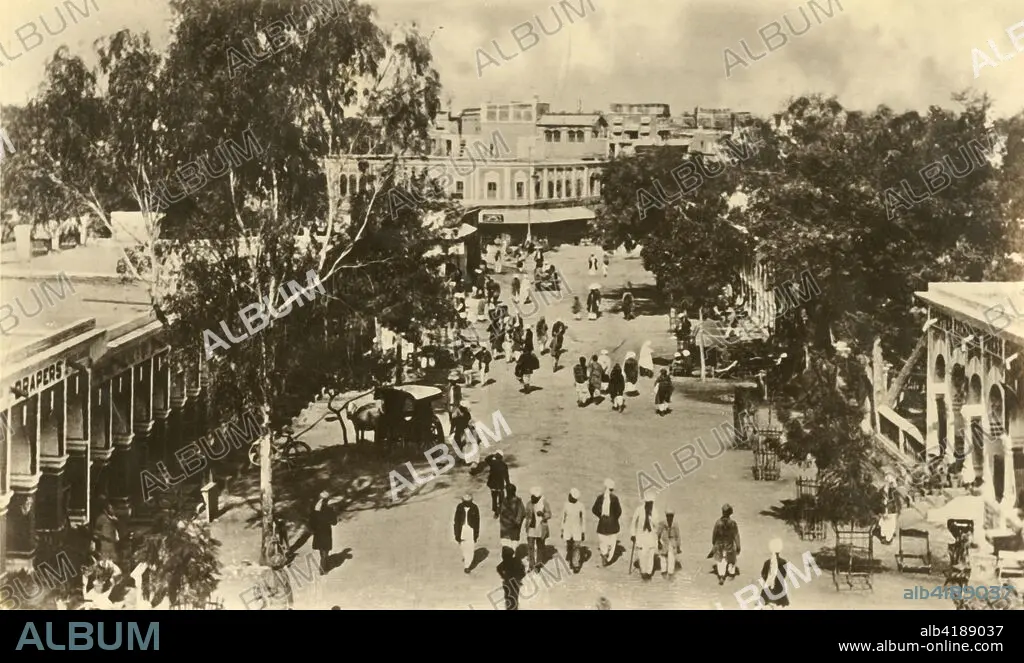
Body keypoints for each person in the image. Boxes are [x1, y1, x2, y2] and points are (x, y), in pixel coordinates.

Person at [630, 491, 661, 580]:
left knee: (650, 554)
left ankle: (648, 572)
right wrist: (633, 534)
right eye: (648, 503)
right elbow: (633, 522)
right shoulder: (639, 509)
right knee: (642, 554)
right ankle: (643, 572)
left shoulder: (654, 511)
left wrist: (651, 518)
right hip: (641, 535)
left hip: (651, 535)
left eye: (651, 503)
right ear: (645, 502)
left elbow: (657, 525)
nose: (649, 504)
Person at [708, 503, 741, 585]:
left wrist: (714, 543)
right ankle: (731, 573)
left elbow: (714, 534)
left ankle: (722, 576)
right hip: (729, 544)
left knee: (721, 560)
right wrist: (738, 545)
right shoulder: (732, 523)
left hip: (720, 545)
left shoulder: (718, 523)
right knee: (731, 559)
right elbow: (736, 535)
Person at [591, 479, 621, 566]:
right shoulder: (615, 498)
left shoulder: (600, 497)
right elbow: (619, 511)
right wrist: (614, 518)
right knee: (612, 542)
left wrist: (600, 516)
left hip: (602, 523)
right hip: (613, 524)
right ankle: (609, 558)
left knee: (603, 541)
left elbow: (594, 509)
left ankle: (604, 554)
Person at [525, 487, 552, 572]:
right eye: (532, 496)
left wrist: (543, 514)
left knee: (540, 546)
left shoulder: (544, 503)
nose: (532, 498)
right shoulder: (529, 503)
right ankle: (531, 564)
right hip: (531, 528)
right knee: (530, 546)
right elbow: (526, 514)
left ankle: (538, 564)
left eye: (534, 497)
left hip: (540, 527)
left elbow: (549, 514)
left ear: (539, 497)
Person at [309, 491, 336, 574]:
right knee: (326, 550)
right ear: (327, 500)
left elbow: (311, 521)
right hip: (326, 531)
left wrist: (313, 529)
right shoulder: (329, 509)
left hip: (318, 532)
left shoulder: (315, 508)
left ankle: (323, 566)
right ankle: (323, 568)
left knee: (322, 550)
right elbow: (334, 522)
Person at [759, 538, 790, 609]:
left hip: (768, 588)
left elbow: (763, 574)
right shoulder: (783, 562)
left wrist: (767, 580)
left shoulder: (767, 562)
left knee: (765, 604)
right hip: (779, 588)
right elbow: (784, 574)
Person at [561, 488, 586, 573]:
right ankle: (571, 560)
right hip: (568, 529)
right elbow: (563, 518)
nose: (569, 497)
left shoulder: (580, 506)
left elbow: (583, 519)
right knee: (569, 546)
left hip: (577, 529)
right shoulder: (566, 505)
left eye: (570, 496)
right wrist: (562, 530)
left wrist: (583, 531)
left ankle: (576, 564)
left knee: (576, 547)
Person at [454, 494, 480, 574]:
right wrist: (456, 534)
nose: (467, 504)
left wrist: (476, 534)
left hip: (471, 530)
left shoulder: (475, 508)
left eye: (469, 502)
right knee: (463, 547)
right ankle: (466, 557)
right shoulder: (459, 507)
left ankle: (467, 566)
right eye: (465, 502)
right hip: (462, 529)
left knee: (470, 548)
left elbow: (477, 522)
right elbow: (456, 521)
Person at [499, 484, 527, 551]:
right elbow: (502, 512)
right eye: (507, 491)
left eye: (509, 491)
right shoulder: (504, 500)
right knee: (505, 545)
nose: (507, 492)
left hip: (514, 528)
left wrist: (516, 522)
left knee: (513, 546)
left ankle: (512, 555)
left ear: (513, 491)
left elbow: (522, 513)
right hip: (505, 528)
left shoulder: (518, 501)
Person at [657, 508, 682, 578]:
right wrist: (658, 542)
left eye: (671, 516)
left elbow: (678, 536)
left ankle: (670, 573)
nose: (670, 518)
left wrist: (678, 546)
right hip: (664, 541)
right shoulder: (662, 523)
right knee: (663, 556)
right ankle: (663, 572)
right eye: (668, 516)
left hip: (672, 541)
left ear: (673, 516)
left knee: (671, 557)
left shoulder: (675, 524)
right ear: (666, 516)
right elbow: (658, 533)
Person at [486, 451, 510, 518]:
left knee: (494, 498)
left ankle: (495, 512)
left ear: (496, 457)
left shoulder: (492, 463)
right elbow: (506, 476)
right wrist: (508, 483)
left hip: (493, 484)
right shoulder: (504, 465)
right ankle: (500, 510)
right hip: (500, 485)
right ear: (502, 457)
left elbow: (486, 459)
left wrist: (492, 454)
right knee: (501, 498)